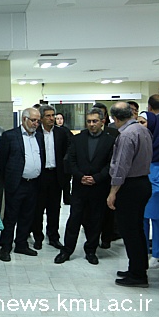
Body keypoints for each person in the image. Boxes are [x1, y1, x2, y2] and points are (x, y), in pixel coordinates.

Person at [54, 108, 117, 265]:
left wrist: (96, 178)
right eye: (89, 121)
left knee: (95, 220)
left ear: (102, 122)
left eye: (95, 121)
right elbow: (70, 161)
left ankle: (91, 250)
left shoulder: (110, 141)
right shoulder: (78, 139)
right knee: (74, 219)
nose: (91, 124)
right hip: (79, 187)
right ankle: (67, 250)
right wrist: (80, 176)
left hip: (98, 187)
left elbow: (111, 164)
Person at [107, 101, 152, 287]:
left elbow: (121, 167)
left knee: (130, 231)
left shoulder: (126, 135)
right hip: (143, 182)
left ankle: (137, 275)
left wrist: (113, 192)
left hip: (130, 186)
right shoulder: (143, 130)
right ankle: (137, 268)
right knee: (137, 230)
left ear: (115, 118)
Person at [0, 107, 45, 261]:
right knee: (11, 217)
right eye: (33, 120)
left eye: (38, 121)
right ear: (24, 119)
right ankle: (5, 247)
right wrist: (10, 178)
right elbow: (2, 160)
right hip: (17, 183)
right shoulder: (10, 136)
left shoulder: (39, 136)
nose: (36, 123)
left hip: (34, 183)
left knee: (27, 216)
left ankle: (21, 244)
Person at [31, 104, 71, 250]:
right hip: (40, 175)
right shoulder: (35, 133)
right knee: (38, 208)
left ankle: (53, 236)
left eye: (53, 115)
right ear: (41, 118)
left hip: (56, 175)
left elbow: (69, 151)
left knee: (54, 208)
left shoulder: (62, 133)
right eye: (48, 116)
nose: (51, 118)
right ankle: (38, 237)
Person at [92, 102, 120, 248]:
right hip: (91, 179)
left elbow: (115, 159)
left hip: (107, 178)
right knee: (91, 213)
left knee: (108, 211)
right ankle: (93, 238)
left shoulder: (114, 133)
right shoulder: (85, 134)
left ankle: (106, 238)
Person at [139, 111, 159, 269]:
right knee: (142, 220)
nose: (140, 126)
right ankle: (143, 250)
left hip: (156, 183)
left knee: (157, 219)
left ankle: (158, 254)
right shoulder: (139, 140)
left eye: (143, 122)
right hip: (140, 182)